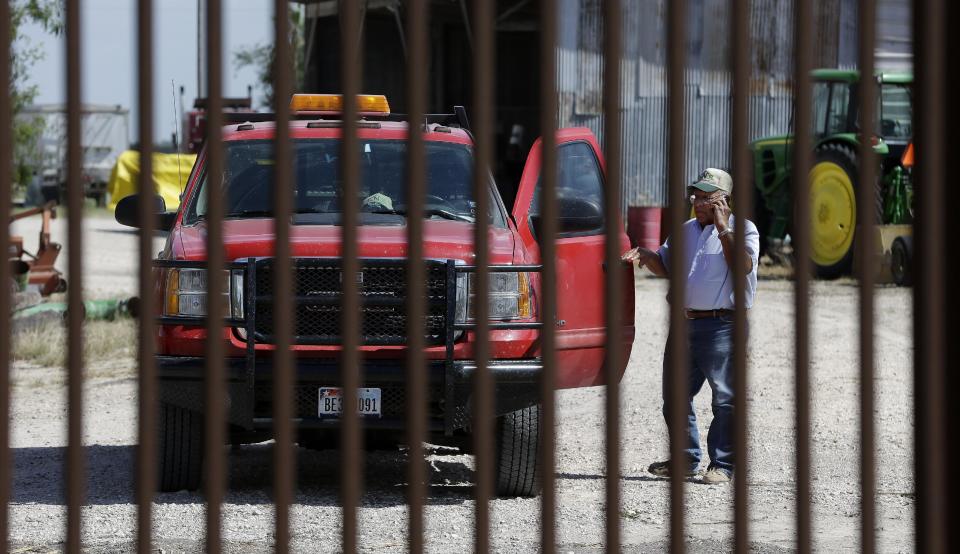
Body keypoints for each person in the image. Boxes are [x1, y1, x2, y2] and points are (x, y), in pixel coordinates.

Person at [622, 167, 759, 484]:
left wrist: (724, 230)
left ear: (724, 201)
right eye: (695, 195)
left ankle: (723, 465)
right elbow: (666, 264)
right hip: (685, 325)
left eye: (706, 197)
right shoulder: (684, 231)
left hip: (723, 326)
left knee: (725, 399)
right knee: (674, 397)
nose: (697, 201)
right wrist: (646, 255)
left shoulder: (744, 230)